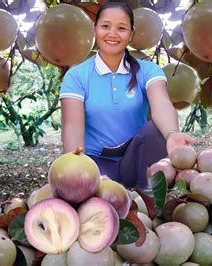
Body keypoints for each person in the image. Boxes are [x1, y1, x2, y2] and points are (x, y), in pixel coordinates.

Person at [59, 0, 196, 189]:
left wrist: (172, 134)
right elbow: (72, 126)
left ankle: (145, 194)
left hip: (136, 160)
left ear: (131, 34)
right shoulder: (77, 75)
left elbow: (162, 104)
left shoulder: (148, 70)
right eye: (105, 26)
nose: (112, 34)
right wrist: (73, 168)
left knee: (156, 130)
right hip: (95, 164)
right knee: (101, 201)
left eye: (121, 28)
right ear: (95, 29)